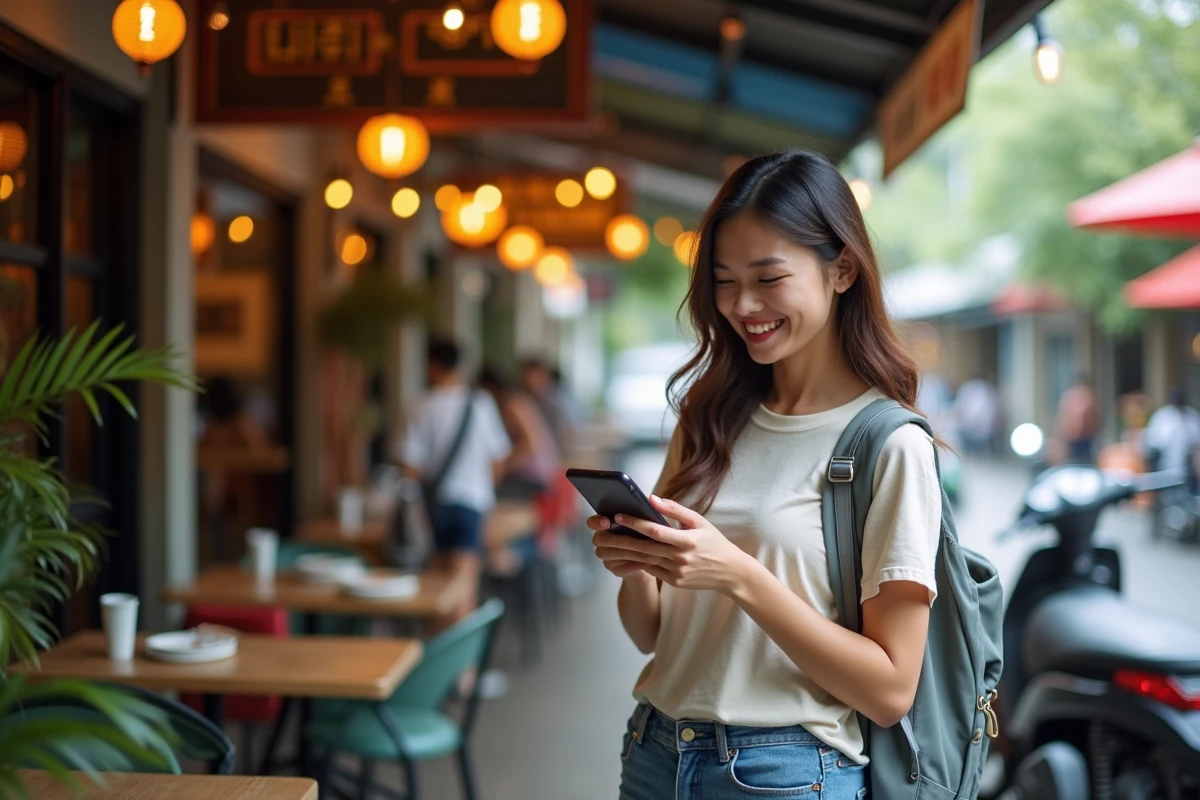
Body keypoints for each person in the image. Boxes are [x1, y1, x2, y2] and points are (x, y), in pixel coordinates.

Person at [589, 151, 941, 800]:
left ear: (841, 271)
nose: (741, 304)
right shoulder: (710, 414)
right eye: (723, 280)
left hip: (784, 773)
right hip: (655, 753)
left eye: (768, 277)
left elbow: (891, 691)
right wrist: (637, 558)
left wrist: (741, 577)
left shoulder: (888, 445)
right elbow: (651, 636)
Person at [399, 339, 511, 620]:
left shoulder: (420, 406)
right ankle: (464, 664)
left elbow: (410, 467)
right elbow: (498, 460)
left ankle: (442, 658)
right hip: (472, 502)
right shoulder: (481, 404)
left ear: (432, 366)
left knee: (438, 591)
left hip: (435, 505)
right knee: (464, 587)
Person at [1056, 373, 1099, 464]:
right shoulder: (1069, 398)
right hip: (1071, 439)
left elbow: (1093, 419)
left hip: (1086, 439)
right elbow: (1063, 419)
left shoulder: (1088, 397)